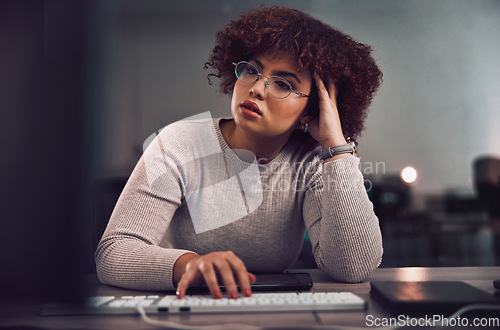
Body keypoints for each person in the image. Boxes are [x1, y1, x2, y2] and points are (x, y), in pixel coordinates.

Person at [95, 5, 383, 300]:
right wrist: (190, 266)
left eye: (283, 84)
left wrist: (337, 148)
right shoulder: (178, 143)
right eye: (252, 70)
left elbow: (353, 267)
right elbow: (114, 252)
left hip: (272, 313)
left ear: (310, 112)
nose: (257, 88)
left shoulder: (312, 161)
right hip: (178, 306)